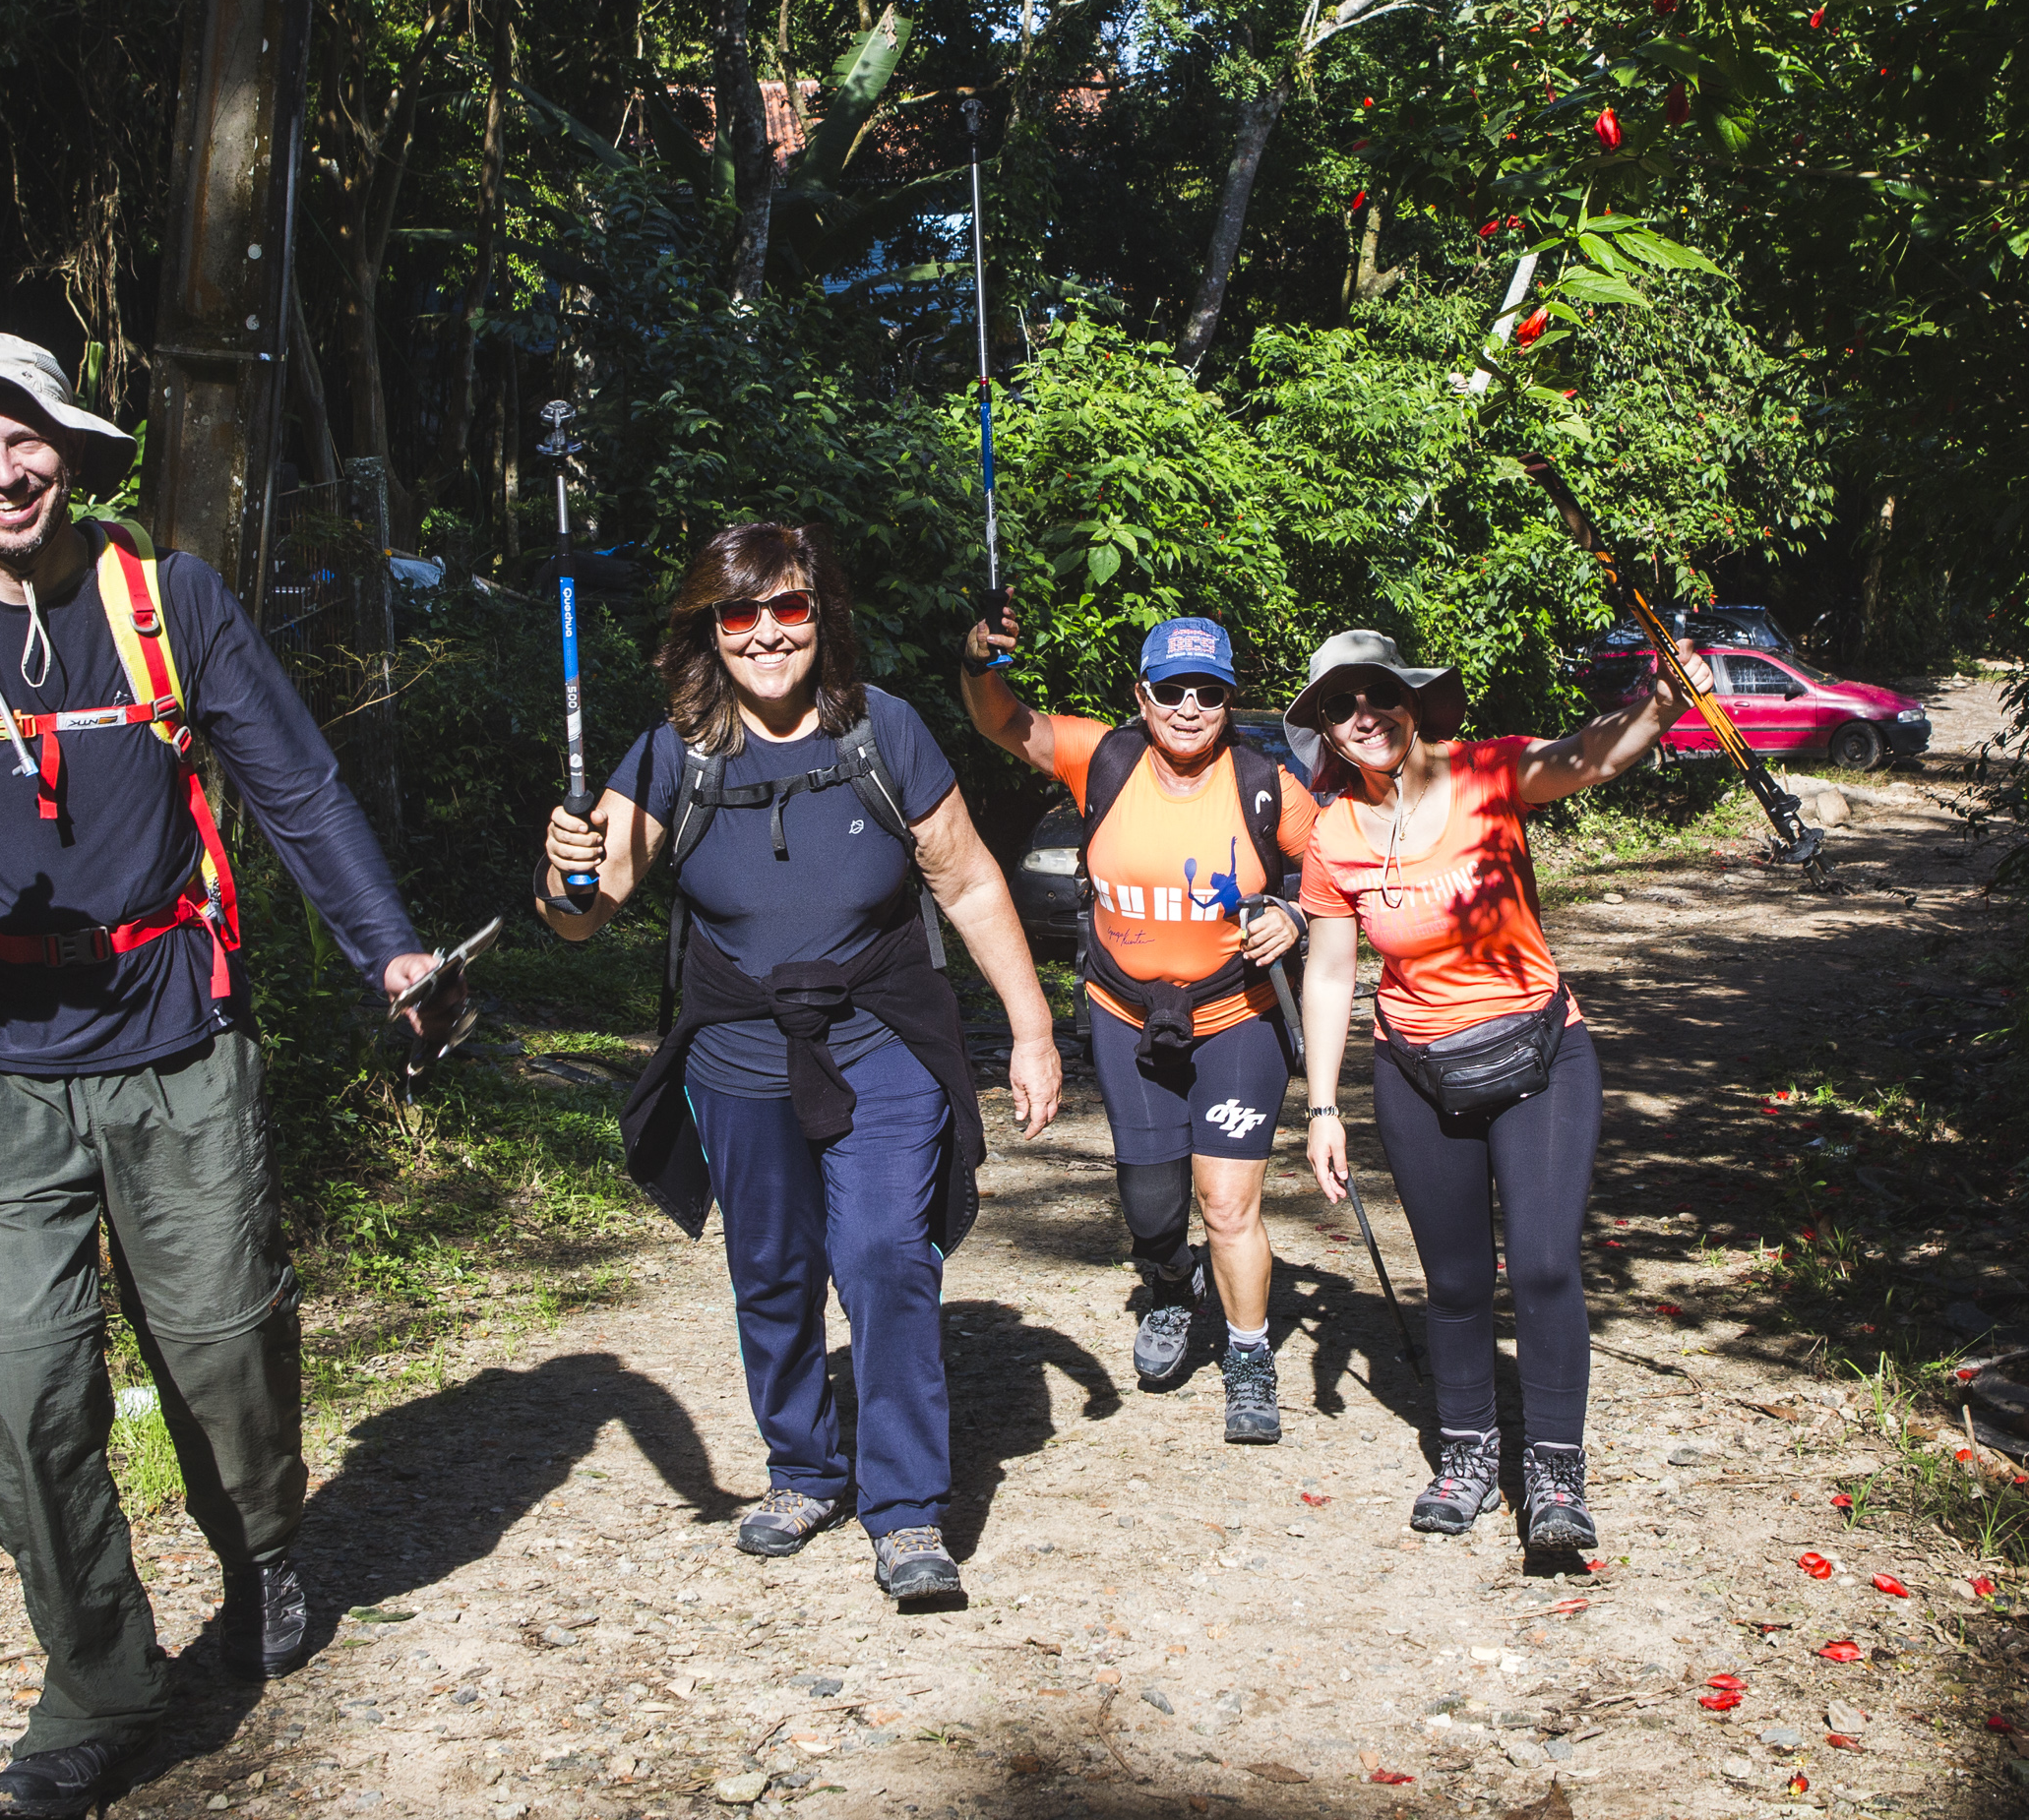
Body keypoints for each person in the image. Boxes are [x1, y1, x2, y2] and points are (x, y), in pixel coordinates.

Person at [0, 334, 449, 1820]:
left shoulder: (167, 598)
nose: (4, 471)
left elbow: (294, 785)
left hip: (178, 1038)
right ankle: (99, 1685)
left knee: (220, 1339)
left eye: (26, 441)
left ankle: (265, 1538)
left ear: (71, 450)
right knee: (25, 1391)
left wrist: (390, 952)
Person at [540, 521, 1065, 1603]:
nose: (768, 633)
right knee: (771, 1271)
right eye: (743, 612)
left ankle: (907, 1508)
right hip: (737, 1048)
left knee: (882, 1252)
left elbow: (965, 884)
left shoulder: (886, 732)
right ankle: (803, 1469)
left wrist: (1032, 1028)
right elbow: (584, 920)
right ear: (709, 628)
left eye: (791, 608)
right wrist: (563, 875)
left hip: (881, 1032)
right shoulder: (669, 754)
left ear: (823, 618)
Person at [1287, 628, 1687, 1554]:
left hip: (1541, 1055)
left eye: (1376, 695)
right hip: (1416, 1071)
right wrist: (1320, 1104)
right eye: (1340, 708)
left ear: (1412, 700)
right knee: (1457, 1280)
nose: (1362, 717)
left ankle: (1554, 1472)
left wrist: (1662, 704)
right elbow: (1330, 971)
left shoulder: (1487, 775)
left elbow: (1584, 758)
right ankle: (1467, 1452)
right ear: (1327, 731)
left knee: (1543, 1264)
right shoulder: (1333, 833)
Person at [960, 609, 1318, 1440]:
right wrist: (980, 662)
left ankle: (1249, 1354)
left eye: (1209, 691)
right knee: (1153, 1204)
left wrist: (1297, 912)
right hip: (1124, 1014)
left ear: (1229, 699)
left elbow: (1339, 864)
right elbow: (1002, 720)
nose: (1189, 707)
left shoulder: (1266, 781)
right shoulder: (1106, 758)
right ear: (1142, 694)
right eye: (1171, 689)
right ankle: (1168, 1285)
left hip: (1238, 1017)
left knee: (1227, 1202)